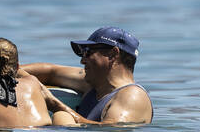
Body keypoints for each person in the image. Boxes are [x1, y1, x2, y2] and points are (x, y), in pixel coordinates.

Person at [16, 26, 152, 125]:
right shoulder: (91, 83)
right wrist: (4, 69)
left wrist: (56, 106)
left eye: (88, 52)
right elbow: (51, 71)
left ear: (113, 54)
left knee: (61, 116)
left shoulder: (132, 95)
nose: (82, 60)